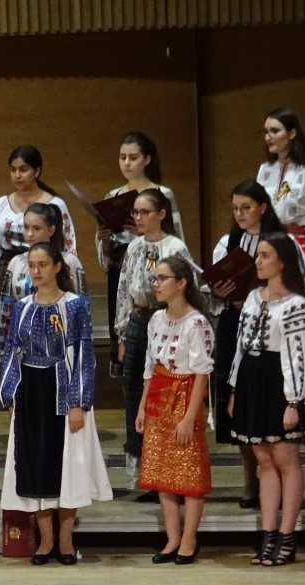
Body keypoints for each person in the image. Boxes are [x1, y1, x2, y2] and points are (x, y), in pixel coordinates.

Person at [0, 242, 113, 565]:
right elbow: (11, 349)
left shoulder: (75, 305)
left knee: (67, 465)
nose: (36, 271)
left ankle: (65, 539)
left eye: (43, 265)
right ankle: (45, 539)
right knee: (35, 463)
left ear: (57, 267)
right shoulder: (21, 306)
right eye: (32, 265)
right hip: (30, 391)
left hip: (62, 389)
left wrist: (78, 402)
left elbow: (84, 353)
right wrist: (10, 393)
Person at [227, 234, 305, 567]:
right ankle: (268, 534)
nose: (258, 261)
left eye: (265, 255)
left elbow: (299, 356)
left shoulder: (296, 304)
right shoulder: (253, 297)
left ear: (283, 262)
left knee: (285, 459)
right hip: (252, 380)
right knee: (264, 460)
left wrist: (294, 401)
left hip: (279, 382)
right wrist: (235, 389)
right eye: (258, 255)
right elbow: (240, 346)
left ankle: (288, 535)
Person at [209, 181, 286, 509]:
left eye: (246, 207)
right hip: (234, 324)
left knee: (268, 398)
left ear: (262, 208)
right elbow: (212, 287)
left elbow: (294, 281)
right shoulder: (228, 242)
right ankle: (249, 480)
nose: (240, 214)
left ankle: (277, 478)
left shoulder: (279, 243)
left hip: (272, 326)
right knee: (239, 401)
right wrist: (219, 292)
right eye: (235, 209)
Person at [114, 188, 195, 492]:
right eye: (135, 212)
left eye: (145, 212)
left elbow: (189, 286)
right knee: (134, 392)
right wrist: (122, 332)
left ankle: (167, 465)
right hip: (138, 320)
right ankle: (141, 466)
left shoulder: (175, 247)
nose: (139, 218)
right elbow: (124, 288)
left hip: (166, 321)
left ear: (161, 214)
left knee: (164, 392)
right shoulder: (135, 246)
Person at [135, 256, 213, 564]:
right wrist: (142, 407)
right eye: (154, 279)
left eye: (162, 278)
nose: (156, 284)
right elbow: (149, 367)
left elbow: (202, 373)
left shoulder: (196, 323)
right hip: (158, 396)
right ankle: (172, 538)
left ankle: (189, 539)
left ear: (181, 283)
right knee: (162, 471)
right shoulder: (156, 319)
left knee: (189, 472)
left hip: (184, 398)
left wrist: (190, 417)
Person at [95, 132, 185, 368]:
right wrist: (104, 239)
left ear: (147, 159)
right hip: (121, 266)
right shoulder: (113, 195)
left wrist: (146, 234)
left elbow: (176, 235)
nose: (126, 163)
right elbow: (105, 255)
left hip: (155, 264)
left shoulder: (162, 194)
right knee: (127, 343)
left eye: (133, 157)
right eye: (122, 157)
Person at [0, 145, 78, 320]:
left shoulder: (55, 205)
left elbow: (68, 246)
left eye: (23, 170)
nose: (17, 175)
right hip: (8, 273)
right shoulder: (1, 204)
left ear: (37, 171)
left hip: (44, 273)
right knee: (10, 327)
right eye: (13, 170)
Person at [0, 203, 88, 364]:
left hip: (61, 349)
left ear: (51, 230)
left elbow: (83, 310)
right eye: (26, 227)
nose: (30, 234)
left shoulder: (69, 262)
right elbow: (6, 312)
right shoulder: (16, 263)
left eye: (37, 228)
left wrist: (83, 355)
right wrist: (2, 352)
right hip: (24, 349)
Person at [257, 107, 305, 291]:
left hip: (302, 251)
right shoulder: (265, 170)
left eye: (274, 131)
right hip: (271, 249)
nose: (268, 137)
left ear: (292, 133)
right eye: (266, 132)